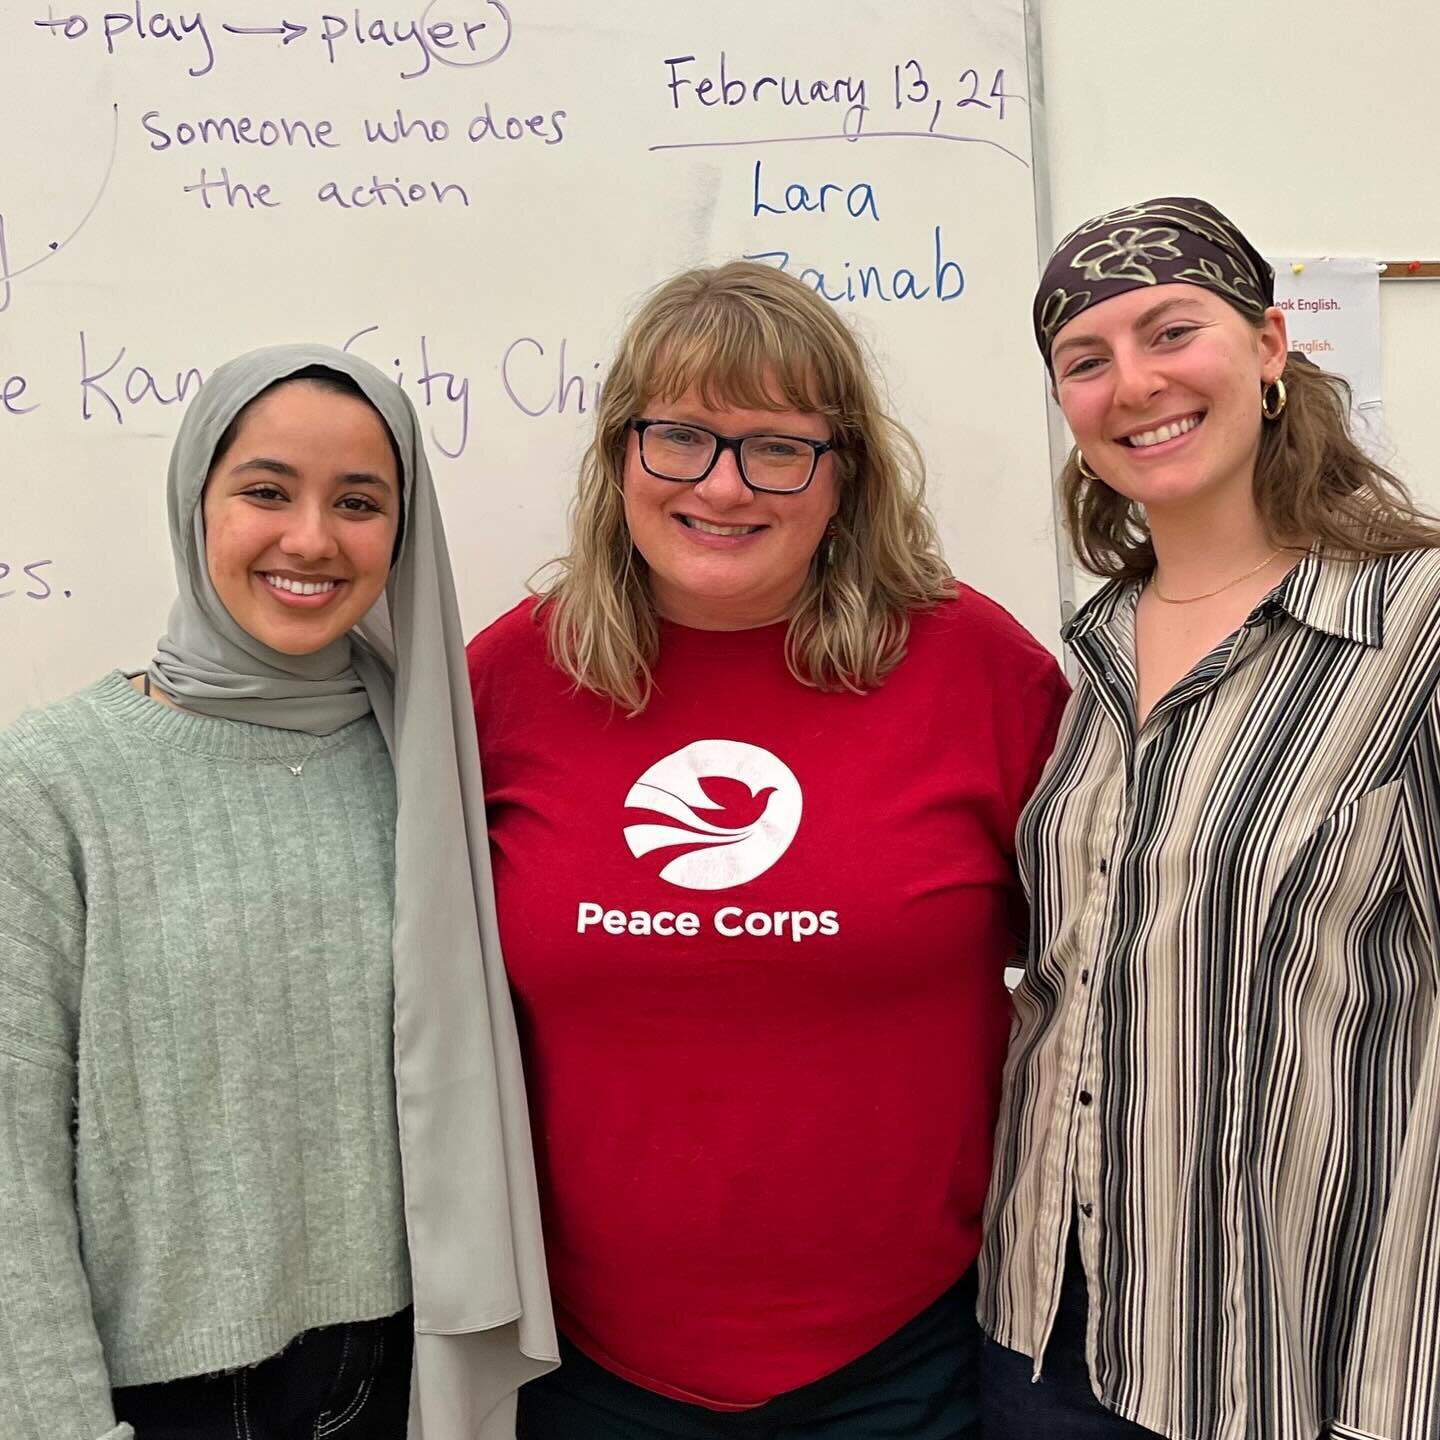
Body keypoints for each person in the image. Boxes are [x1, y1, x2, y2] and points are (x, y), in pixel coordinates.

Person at [465, 260, 1070, 1439]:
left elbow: (1098, 976)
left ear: (845, 475)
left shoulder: (978, 671)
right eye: (681, 436)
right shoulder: (507, 683)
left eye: (779, 447)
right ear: (618, 457)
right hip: (582, 1367)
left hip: (912, 1357)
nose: (725, 487)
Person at [0, 345, 556, 1440]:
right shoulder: (51, 783)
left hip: (403, 1376)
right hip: (158, 1403)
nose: (311, 539)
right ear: (193, 500)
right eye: (265, 491)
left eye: (359, 501)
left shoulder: (428, 756)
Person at [979, 196, 1440, 1440]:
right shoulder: (1087, 659)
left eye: (1170, 331)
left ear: (1270, 347)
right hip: (1045, 1338)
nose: (1133, 383)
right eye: (1085, 359)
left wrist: (1401, 1381)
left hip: (1303, 1356)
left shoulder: (1418, 629)